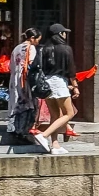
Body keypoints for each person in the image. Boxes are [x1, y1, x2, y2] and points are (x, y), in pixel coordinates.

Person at [31, 23, 77, 153]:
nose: (65, 35)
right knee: (69, 113)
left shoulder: (43, 48)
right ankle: (43, 135)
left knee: (55, 115)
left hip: (46, 82)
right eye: (64, 32)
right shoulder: (66, 49)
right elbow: (71, 71)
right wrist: (75, 86)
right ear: (59, 34)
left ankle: (55, 145)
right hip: (59, 82)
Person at [3, 25, 40, 145]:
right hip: (25, 81)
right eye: (38, 40)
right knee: (27, 105)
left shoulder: (17, 48)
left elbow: (11, 66)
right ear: (33, 38)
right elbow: (31, 66)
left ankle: (13, 129)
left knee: (15, 105)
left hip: (14, 80)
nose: (38, 43)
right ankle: (22, 132)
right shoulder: (31, 48)